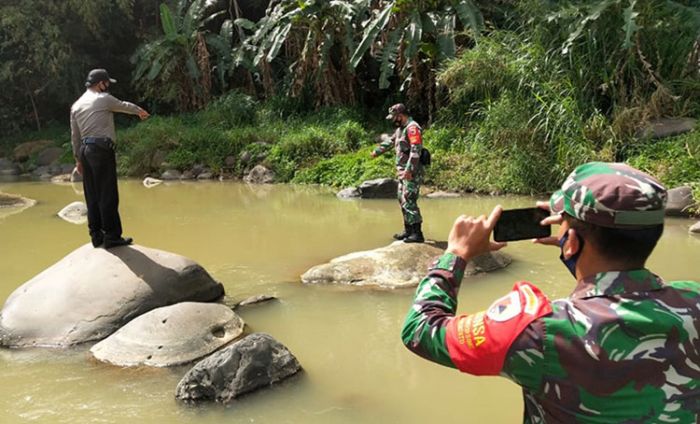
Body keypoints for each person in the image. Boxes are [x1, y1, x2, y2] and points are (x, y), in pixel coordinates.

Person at [401, 162, 700, 423]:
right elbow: (610, 290)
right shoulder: (692, 301)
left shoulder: (539, 332)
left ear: (570, 240)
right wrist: (575, 246)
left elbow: (421, 329)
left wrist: (456, 254)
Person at [70, 68, 150, 249]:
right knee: (108, 193)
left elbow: (74, 136)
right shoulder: (103, 99)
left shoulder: (76, 105)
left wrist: (78, 159)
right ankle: (112, 237)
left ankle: (96, 236)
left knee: (92, 195)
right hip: (101, 149)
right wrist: (140, 111)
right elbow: (124, 105)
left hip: (85, 150)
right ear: (101, 84)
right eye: (107, 83)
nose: (107, 86)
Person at [371, 103, 425, 243]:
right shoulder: (401, 129)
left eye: (394, 117)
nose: (392, 120)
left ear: (400, 116)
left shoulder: (412, 128)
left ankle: (417, 234)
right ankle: (408, 231)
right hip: (402, 172)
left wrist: (409, 170)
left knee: (409, 200)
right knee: (402, 199)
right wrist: (376, 152)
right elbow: (391, 142)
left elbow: (415, 151)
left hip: (411, 172)